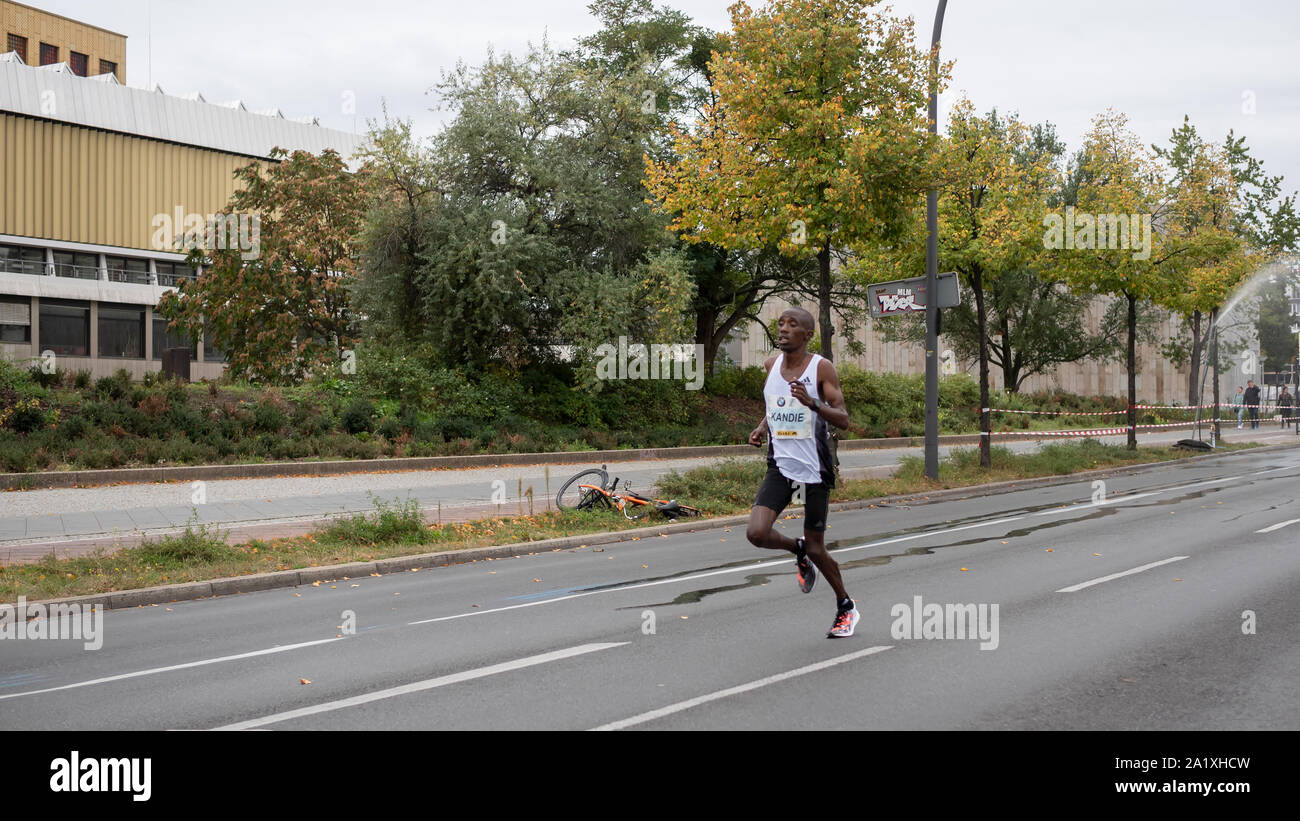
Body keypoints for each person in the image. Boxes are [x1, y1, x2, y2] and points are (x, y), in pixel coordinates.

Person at [746, 308, 858, 638]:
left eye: (792, 325)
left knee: (817, 548)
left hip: (814, 468)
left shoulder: (820, 367)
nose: (783, 329)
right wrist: (762, 427)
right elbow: (776, 404)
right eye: (780, 324)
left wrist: (812, 403)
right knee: (756, 533)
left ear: (807, 335)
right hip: (780, 465)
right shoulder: (771, 366)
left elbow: (843, 418)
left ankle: (846, 606)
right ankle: (796, 549)